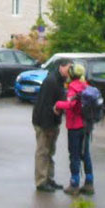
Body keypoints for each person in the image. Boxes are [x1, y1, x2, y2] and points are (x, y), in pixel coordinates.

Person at [54, 63, 95, 195]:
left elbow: (70, 104)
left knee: (74, 155)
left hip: (75, 126)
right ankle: (89, 183)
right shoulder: (86, 86)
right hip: (86, 125)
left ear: (71, 75)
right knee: (85, 154)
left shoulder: (73, 87)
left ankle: (74, 184)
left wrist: (58, 104)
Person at [32, 58, 70, 192]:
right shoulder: (51, 81)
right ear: (61, 67)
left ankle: (49, 178)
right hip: (44, 122)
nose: (70, 71)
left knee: (50, 151)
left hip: (53, 121)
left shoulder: (60, 81)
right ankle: (41, 181)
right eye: (68, 68)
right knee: (43, 151)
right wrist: (47, 126)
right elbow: (45, 105)